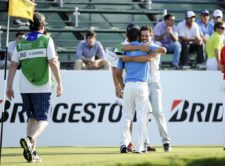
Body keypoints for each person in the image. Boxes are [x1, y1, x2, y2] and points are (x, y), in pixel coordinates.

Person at [6, 12, 63, 163]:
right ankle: (30, 140)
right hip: (43, 86)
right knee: (43, 119)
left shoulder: (21, 42)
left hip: (24, 87)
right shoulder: (46, 40)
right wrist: (59, 83)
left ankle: (32, 153)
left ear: (30, 26)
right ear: (43, 26)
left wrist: (8, 86)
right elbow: (52, 62)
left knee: (31, 118)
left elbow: (13, 65)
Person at [122, 26, 171, 152]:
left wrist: (129, 58)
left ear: (151, 35)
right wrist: (138, 47)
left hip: (153, 84)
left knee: (157, 112)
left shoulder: (153, 47)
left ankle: (166, 141)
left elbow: (152, 56)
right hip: (142, 84)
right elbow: (122, 47)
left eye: (146, 35)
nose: (144, 38)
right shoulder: (138, 46)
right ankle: (145, 143)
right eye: (142, 35)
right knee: (144, 115)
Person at [116, 26, 154, 153]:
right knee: (142, 117)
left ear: (127, 37)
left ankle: (123, 144)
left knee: (126, 116)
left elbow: (117, 73)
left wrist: (122, 85)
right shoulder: (145, 48)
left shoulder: (124, 50)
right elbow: (162, 50)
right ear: (138, 36)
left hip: (128, 85)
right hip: (142, 85)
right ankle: (139, 147)